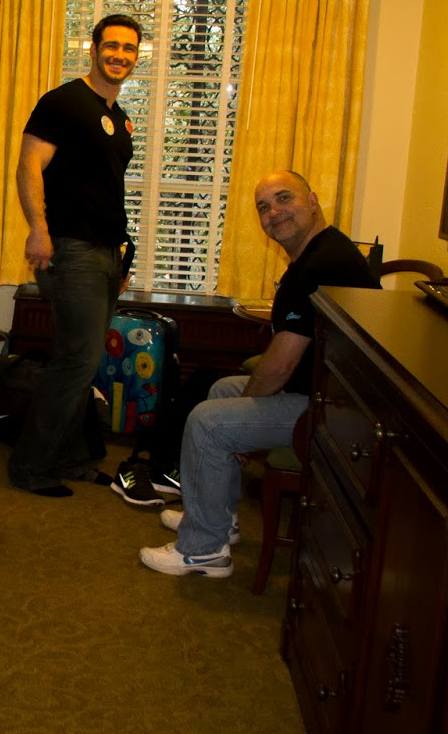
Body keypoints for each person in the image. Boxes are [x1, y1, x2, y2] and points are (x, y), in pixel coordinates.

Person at [139, 169, 380, 578]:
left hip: (336, 410)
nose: (274, 213)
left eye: (285, 198)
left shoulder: (320, 266)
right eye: (264, 207)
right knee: (221, 389)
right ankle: (218, 518)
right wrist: (243, 405)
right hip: (322, 388)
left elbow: (280, 365)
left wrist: (244, 416)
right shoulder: (320, 251)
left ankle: (203, 551)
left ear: (313, 200)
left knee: (209, 422)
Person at [8, 13, 143, 498]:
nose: (120, 55)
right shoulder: (63, 102)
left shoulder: (120, 118)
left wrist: (120, 259)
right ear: (93, 49)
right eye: (112, 45)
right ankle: (30, 467)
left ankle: (67, 457)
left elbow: (105, 190)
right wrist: (38, 229)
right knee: (76, 361)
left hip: (105, 254)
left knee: (81, 362)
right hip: (70, 249)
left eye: (129, 48)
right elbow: (29, 165)